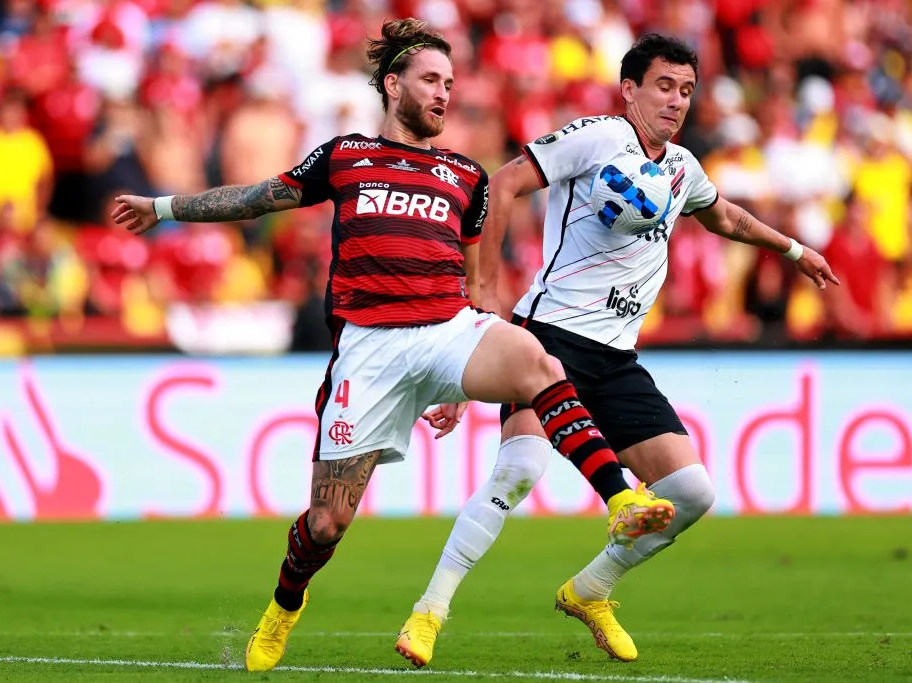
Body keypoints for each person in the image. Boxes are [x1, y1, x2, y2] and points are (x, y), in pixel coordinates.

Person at [111, 19, 678, 673]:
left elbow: (475, 284)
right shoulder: (345, 155)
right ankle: (284, 606)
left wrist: (464, 377)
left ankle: (621, 499)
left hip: (445, 331)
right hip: (369, 349)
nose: (443, 93)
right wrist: (164, 208)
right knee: (326, 524)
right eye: (430, 80)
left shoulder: (466, 176)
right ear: (392, 85)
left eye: (450, 83)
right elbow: (256, 198)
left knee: (535, 360)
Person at [397, 34, 840, 666]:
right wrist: (485, 299)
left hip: (616, 358)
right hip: (548, 338)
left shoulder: (682, 168)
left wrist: (794, 251)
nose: (676, 101)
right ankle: (429, 611)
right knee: (518, 472)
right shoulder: (598, 137)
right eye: (664, 86)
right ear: (629, 89)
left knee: (691, 494)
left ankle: (591, 589)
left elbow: (725, 218)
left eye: (686, 90)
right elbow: (501, 184)